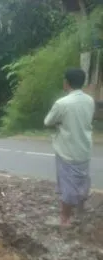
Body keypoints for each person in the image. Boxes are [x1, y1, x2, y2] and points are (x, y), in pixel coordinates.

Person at [44, 68, 95, 228]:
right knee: (81, 180)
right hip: (84, 148)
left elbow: (48, 122)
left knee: (68, 186)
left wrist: (60, 123)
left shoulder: (62, 103)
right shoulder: (89, 100)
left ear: (66, 82)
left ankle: (65, 220)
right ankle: (80, 211)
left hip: (67, 150)